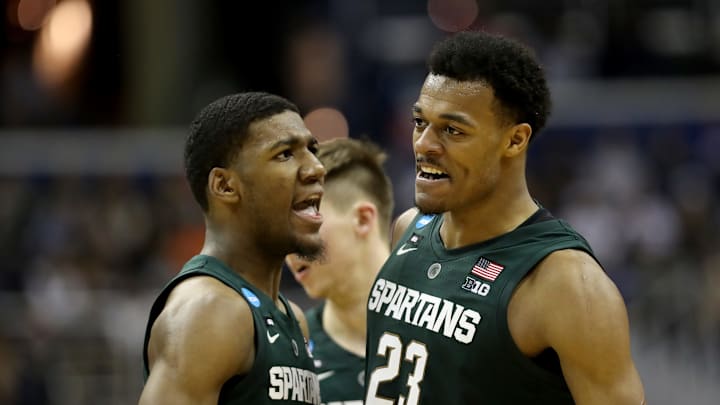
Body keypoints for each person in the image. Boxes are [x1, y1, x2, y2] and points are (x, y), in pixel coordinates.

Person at [364, 31, 646, 404]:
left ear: (514, 140)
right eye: (420, 122)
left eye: (452, 130)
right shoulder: (408, 228)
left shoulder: (567, 285)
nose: (424, 144)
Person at [139, 91, 326, 405]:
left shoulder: (291, 318)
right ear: (225, 186)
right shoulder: (209, 311)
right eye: (285, 154)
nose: (316, 168)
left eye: (312, 149)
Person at [285, 137, 394, 405]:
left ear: (362, 219)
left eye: (304, 222)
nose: (288, 248)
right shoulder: (289, 355)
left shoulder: (452, 333)